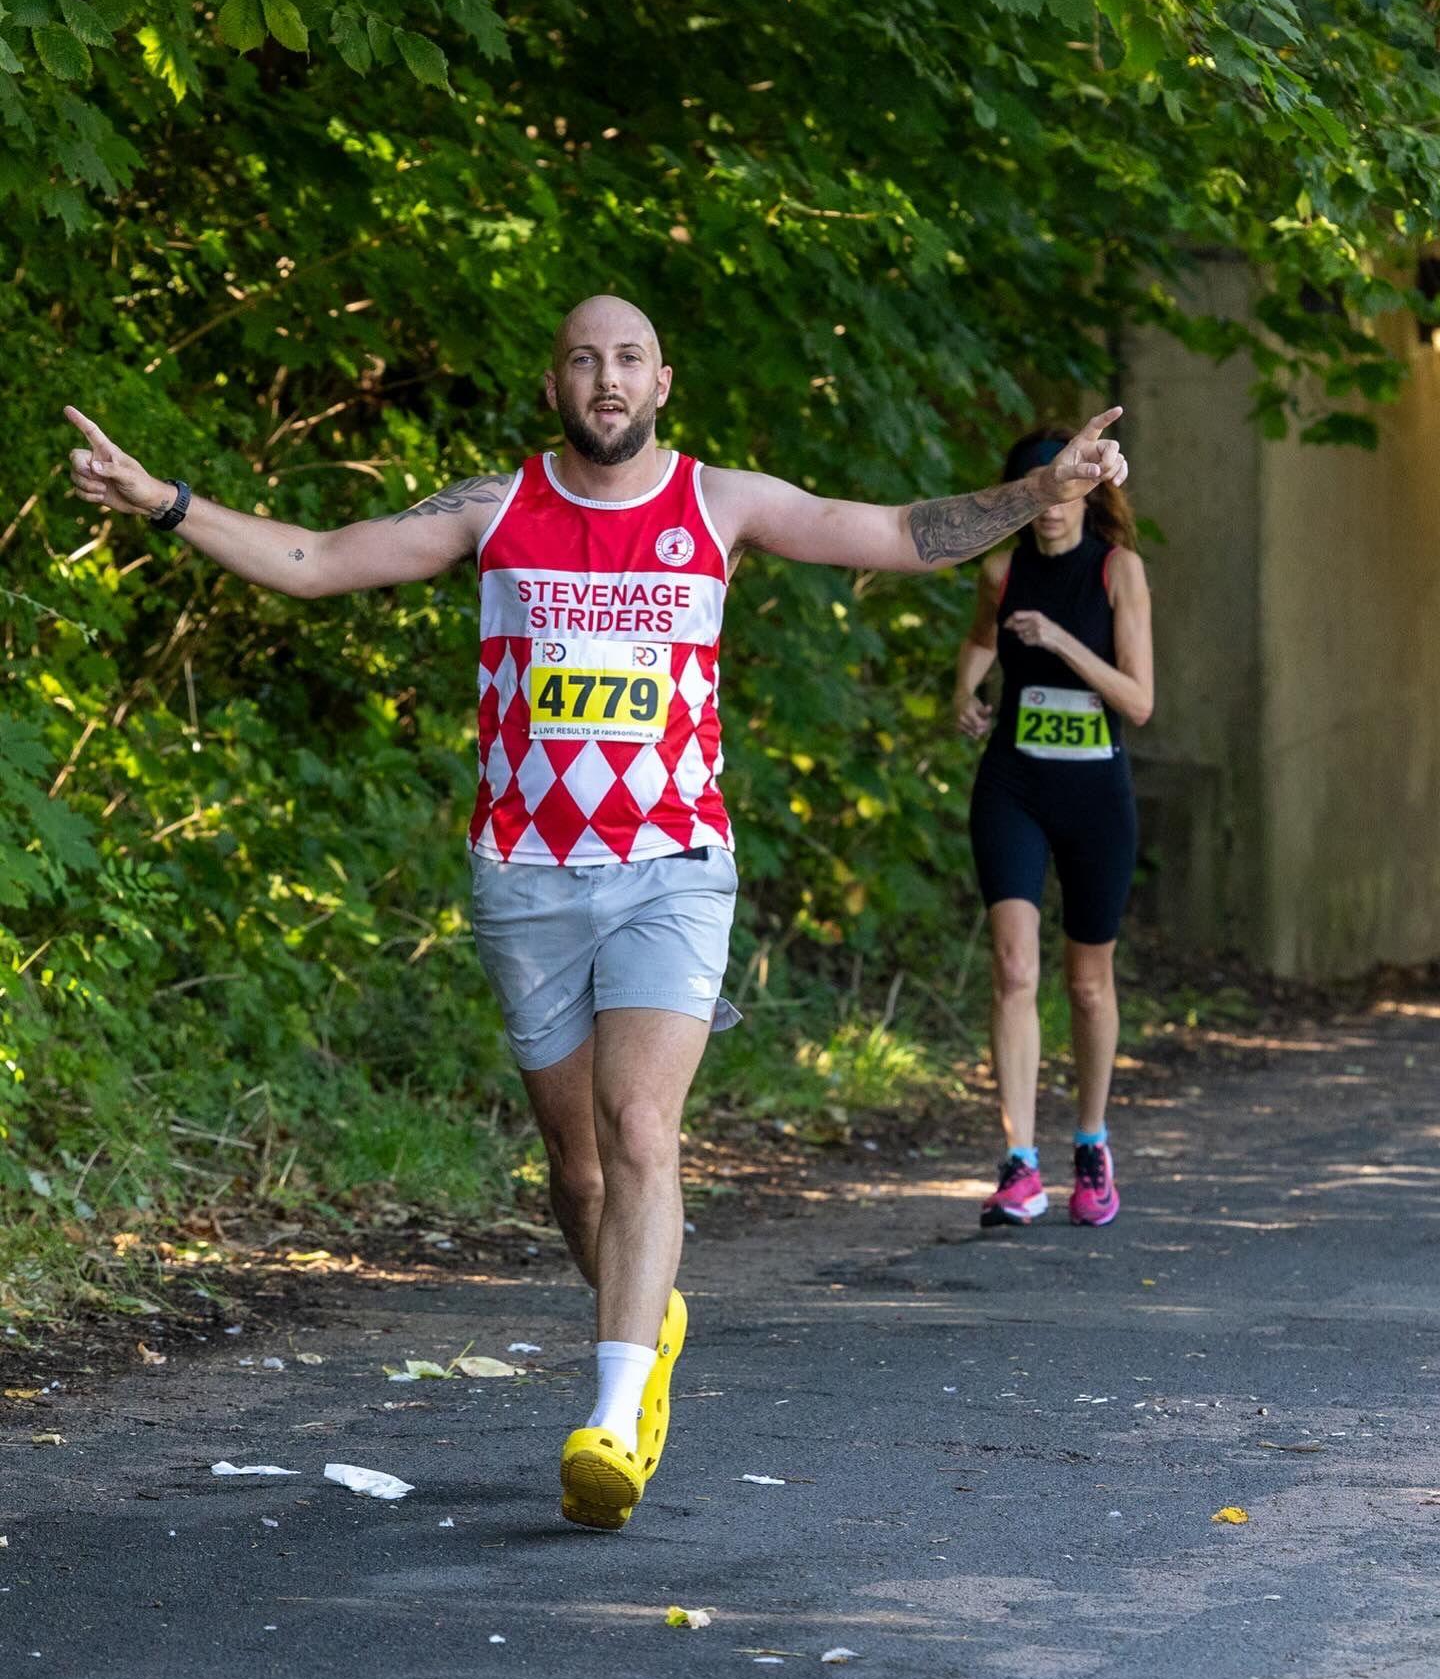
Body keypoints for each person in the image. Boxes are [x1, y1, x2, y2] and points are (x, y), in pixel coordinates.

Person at [64, 298, 1128, 1529]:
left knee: (638, 1127)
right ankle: (650, 1316)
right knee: (576, 1173)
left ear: (662, 382)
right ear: (554, 385)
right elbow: (313, 561)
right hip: (525, 875)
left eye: (628, 360)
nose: (607, 380)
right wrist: (163, 501)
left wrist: (1039, 489)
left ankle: (613, 1420)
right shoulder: (492, 509)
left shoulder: (719, 505)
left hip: (671, 864)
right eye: (585, 360)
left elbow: (896, 532)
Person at [954, 427, 1153, 1232]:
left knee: (1087, 981)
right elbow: (978, 641)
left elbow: (1139, 702)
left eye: (1065, 488)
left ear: (1089, 490)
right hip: (1015, 783)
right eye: (1037, 490)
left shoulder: (1117, 570)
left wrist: (1061, 640)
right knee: (1012, 967)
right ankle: (1020, 1163)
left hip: (1095, 795)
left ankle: (1092, 1144)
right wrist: (962, 692)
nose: (1051, 506)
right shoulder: (1002, 570)